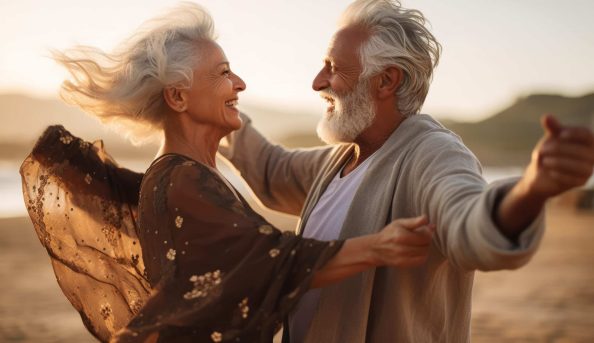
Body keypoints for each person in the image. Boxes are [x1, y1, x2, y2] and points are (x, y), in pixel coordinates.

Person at [20, 3, 437, 343]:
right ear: (179, 97)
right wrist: (380, 247)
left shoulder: (182, 175)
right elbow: (270, 261)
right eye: (223, 73)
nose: (239, 83)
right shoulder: (182, 179)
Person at [219, 0, 594, 342]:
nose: (317, 81)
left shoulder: (432, 154)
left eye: (332, 67)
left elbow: (470, 225)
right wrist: (220, 106)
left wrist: (532, 189)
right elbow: (271, 168)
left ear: (386, 80)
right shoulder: (340, 159)